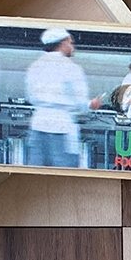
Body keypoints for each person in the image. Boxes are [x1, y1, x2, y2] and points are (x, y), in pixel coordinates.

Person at [24, 27, 101, 168]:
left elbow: (30, 96)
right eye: (71, 43)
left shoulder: (35, 66)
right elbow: (80, 101)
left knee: (37, 172)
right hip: (61, 128)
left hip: (38, 126)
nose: (73, 47)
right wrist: (91, 104)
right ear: (63, 43)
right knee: (63, 174)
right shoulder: (71, 68)